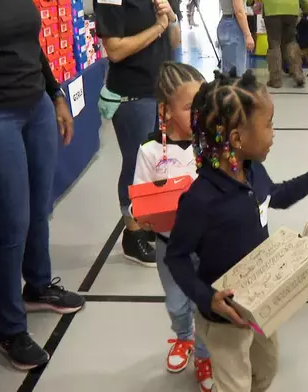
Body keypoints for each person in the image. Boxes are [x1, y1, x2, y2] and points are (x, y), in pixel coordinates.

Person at [164, 69, 308, 392]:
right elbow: (177, 257)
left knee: (266, 369)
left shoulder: (253, 171)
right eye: (268, 125)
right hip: (223, 317)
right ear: (237, 139)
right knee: (234, 384)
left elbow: (278, 196)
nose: (273, 133)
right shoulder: (200, 199)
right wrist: (207, 298)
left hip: (260, 301)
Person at [0, 0, 85, 370]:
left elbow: (31, 45)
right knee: (10, 225)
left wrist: (55, 94)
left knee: (40, 205)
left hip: (35, 105)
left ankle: (38, 285)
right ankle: (10, 328)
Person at [132, 63, 214, 391]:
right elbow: (140, 205)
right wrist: (151, 211)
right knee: (177, 302)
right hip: (170, 247)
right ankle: (183, 337)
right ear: (165, 111)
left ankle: (205, 354)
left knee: (205, 302)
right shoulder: (150, 152)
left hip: (208, 246)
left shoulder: (213, 145)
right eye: (190, 106)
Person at [95, 0, 181, 266]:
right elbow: (116, 50)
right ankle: (132, 234)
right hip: (132, 94)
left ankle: (148, 222)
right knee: (136, 164)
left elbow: (175, 42)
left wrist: (172, 18)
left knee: (157, 161)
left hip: (161, 91)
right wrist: (158, 26)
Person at [260, 0, 308, 88]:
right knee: (291, 41)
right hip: (291, 9)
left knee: (274, 43)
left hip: (272, 9)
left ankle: (275, 80)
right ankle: (298, 73)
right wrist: (306, 9)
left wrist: (250, 2)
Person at [218, 0, 255, 76]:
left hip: (226, 22)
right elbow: (239, 11)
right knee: (236, 73)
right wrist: (248, 35)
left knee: (228, 71)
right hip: (234, 25)